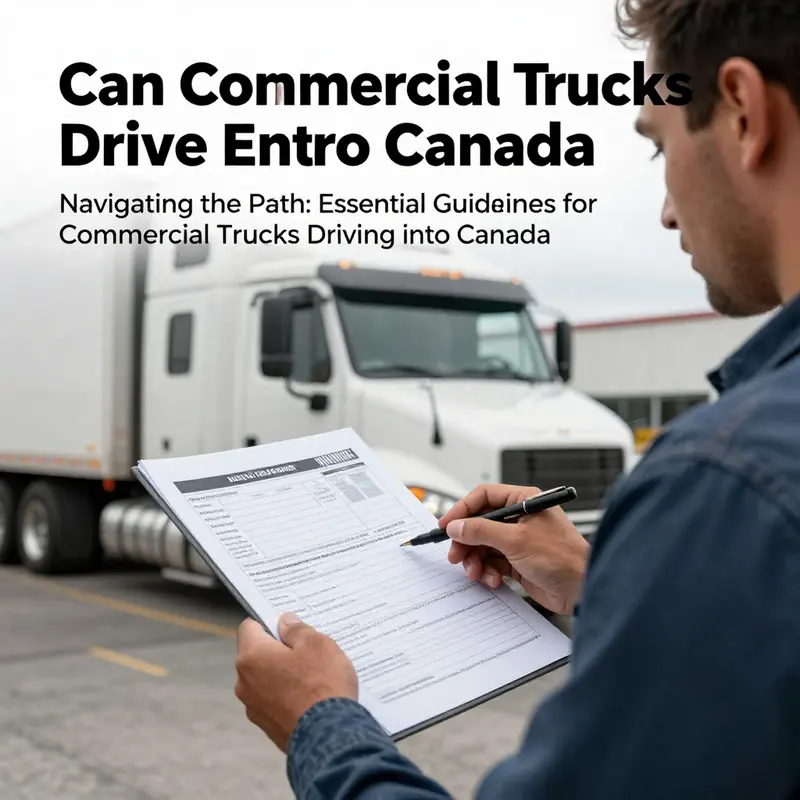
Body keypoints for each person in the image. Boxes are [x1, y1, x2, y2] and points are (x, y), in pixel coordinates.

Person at [233, 1, 800, 797]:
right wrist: (601, 581)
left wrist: (319, 723)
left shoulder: (729, 481)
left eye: (659, 145)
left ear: (742, 111)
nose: (667, 209)